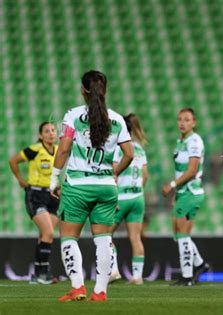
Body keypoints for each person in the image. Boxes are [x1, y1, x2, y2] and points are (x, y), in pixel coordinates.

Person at [50, 70, 134, 301]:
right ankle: (100, 292)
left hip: (78, 184)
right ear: (104, 90)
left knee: (68, 236)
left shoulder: (73, 116)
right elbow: (129, 154)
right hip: (106, 186)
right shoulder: (117, 119)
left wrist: (54, 178)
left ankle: (77, 287)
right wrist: (113, 172)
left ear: (83, 90)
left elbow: (64, 148)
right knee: (104, 238)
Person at [162, 108, 209, 286]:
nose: (182, 123)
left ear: (194, 122)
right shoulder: (180, 141)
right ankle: (200, 265)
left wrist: (172, 185)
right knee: (178, 233)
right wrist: (177, 192)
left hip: (192, 192)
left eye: (187, 120)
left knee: (182, 234)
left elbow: (192, 170)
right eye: (180, 119)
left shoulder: (194, 141)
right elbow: (180, 170)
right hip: (183, 193)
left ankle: (187, 277)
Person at [9, 122, 59, 284]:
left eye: (53, 130)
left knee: (45, 235)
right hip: (35, 195)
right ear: (40, 135)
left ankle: (39, 273)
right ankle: (43, 273)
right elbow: (13, 161)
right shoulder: (35, 150)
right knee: (49, 233)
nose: (51, 133)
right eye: (47, 131)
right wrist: (21, 180)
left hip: (52, 196)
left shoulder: (59, 151)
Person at [109, 113, 148, 285]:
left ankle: (114, 270)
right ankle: (137, 276)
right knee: (135, 237)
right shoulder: (139, 148)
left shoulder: (119, 148)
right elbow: (145, 176)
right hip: (138, 197)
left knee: (105, 234)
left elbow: (114, 173)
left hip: (122, 197)